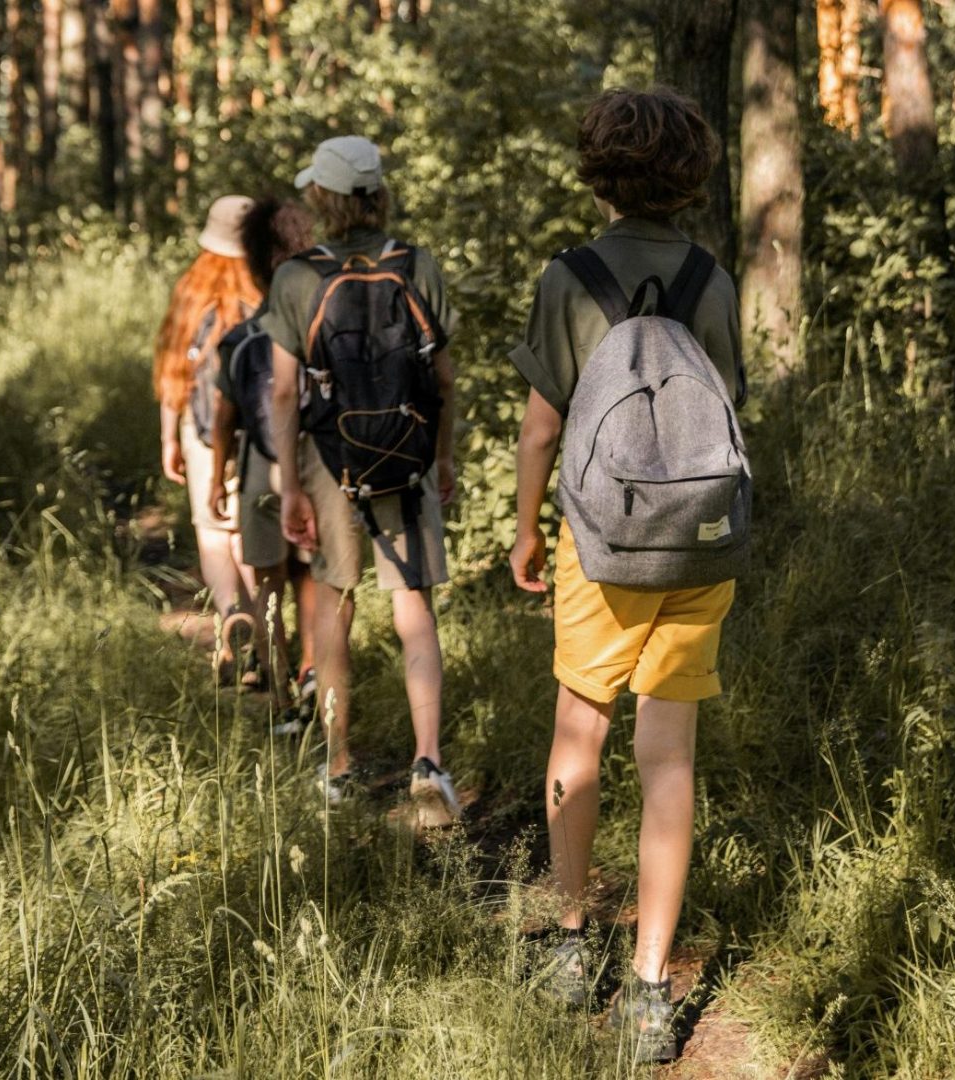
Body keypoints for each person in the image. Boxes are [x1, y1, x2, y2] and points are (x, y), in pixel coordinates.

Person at [507, 88, 748, 1062]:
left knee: (580, 730)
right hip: (697, 540)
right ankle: (651, 989)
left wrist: (524, 529)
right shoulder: (712, 280)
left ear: (597, 171)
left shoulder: (570, 278)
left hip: (602, 546)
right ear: (689, 177)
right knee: (669, 757)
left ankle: (572, 945)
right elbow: (725, 412)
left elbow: (541, 428)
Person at [260, 135, 463, 827]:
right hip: (408, 452)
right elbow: (443, 378)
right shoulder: (416, 264)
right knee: (414, 606)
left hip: (330, 459)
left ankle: (340, 764)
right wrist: (443, 457)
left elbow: (282, 393)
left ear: (322, 197)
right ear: (378, 194)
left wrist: (291, 486)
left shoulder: (296, 278)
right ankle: (429, 762)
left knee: (334, 604)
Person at [207, 195, 321, 730]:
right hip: (314, 462)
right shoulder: (317, 327)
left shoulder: (241, 337)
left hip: (259, 467)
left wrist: (216, 479)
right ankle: (315, 671)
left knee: (269, 583)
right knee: (311, 576)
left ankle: (281, 698)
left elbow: (224, 416)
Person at [153, 195, 260, 677]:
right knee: (247, 530)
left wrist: (169, 439)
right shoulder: (268, 287)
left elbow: (173, 369)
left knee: (212, 530)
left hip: (200, 429)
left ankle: (231, 615)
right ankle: (263, 633)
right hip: (258, 432)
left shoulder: (192, 290)